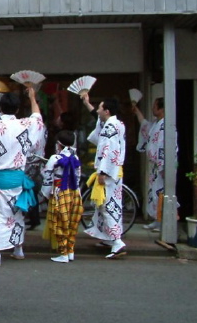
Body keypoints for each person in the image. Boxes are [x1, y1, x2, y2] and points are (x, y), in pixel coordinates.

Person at [0, 88, 44, 266]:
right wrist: (32, 98)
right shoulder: (25, 124)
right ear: (17, 109)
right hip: (17, 178)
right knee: (17, 215)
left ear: (1, 107)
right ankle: (18, 249)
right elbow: (37, 117)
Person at [81, 93, 127, 259]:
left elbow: (109, 150)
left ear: (106, 111)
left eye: (100, 107)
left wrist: (102, 171)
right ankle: (109, 238)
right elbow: (98, 120)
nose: (98, 110)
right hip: (113, 171)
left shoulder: (110, 127)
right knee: (106, 206)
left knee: (107, 206)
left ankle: (117, 241)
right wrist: (87, 103)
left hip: (108, 172)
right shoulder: (116, 123)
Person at [40, 130, 82, 263]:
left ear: (58, 144)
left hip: (59, 191)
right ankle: (70, 250)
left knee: (58, 221)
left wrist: (45, 194)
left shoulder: (54, 158)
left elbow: (47, 177)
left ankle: (63, 252)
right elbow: (78, 176)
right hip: (74, 192)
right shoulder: (76, 158)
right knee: (72, 221)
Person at [133, 97, 169, 231]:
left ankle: (162, 221)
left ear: (161, 109)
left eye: (155, 106)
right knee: (154, 193)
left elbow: (165, 147)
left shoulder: (167, 125)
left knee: (161, 193)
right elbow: (145, 126)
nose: (153, 108)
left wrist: (164, 166)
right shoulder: (156, 124)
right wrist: (137, 111)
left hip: (162, 165)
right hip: (155, 165)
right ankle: (157, 219)